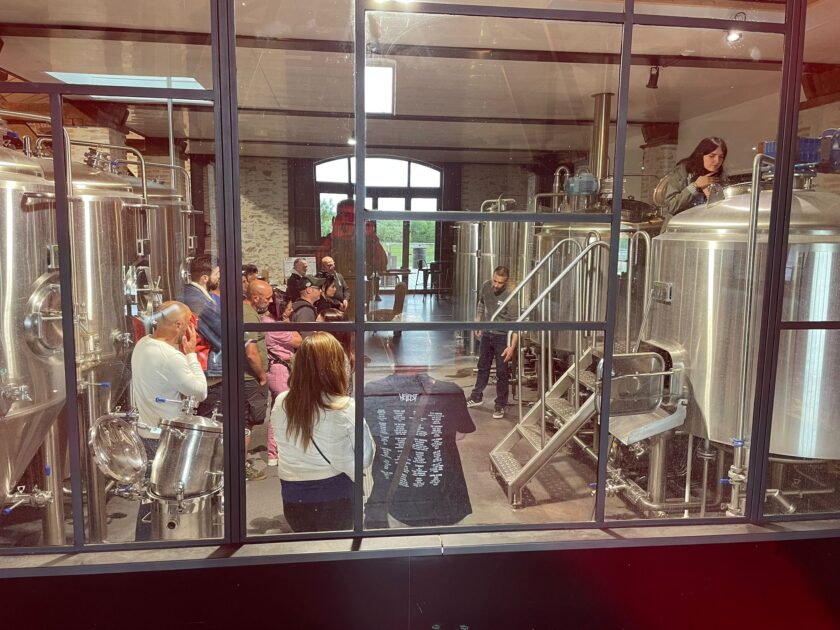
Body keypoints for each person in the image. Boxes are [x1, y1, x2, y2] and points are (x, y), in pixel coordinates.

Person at [364, 332, 475, 528]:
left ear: (390, 350)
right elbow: (459, 434)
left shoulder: (371, 391)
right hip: (446, 502)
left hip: (395, 502)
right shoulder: (449, 392)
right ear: (428, 350)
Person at [270, 332, 374, 532]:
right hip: (335, 495)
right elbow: (364, 458)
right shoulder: (345, 407)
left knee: (307, 547)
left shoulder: (282, 402)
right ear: (337, 366)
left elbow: (281, 441)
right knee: (336, 548)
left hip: (293, 496)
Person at [130, 300, 208, 540]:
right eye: (188, 324)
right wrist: (192, 355)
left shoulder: (143, 344)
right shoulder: (170, 357)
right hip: (165, 439)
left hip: (146, 434)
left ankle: (144, 545)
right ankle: (157, 547)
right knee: (166, 501)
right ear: (178, 325)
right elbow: (200, 391)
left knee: (150, 498)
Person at [466, 266, 518, 419]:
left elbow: (516, 324)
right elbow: (481, 303)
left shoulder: (511, 296)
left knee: (502, 372)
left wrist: (512, 347)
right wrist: (478, 321)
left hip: (502, 337)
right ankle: (476, 396)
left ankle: (500, 404)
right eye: (495, 280)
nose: (496, 285)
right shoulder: (486, 286)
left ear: (505, 282)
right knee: (483, 366)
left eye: (500, 283)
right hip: (487, 333)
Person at [262, 291, 302, 467]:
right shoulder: (275, 326)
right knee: (281, 409)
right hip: (280, 369)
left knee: (279, 408)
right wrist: (288, 323)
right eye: (288, 308)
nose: (291, 311)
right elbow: (298, 340)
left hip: (277, 368)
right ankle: (274, 452)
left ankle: (276, 451)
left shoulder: (266, 321)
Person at [180, 254, 223, 419]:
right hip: (206, 367)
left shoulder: (194, 295)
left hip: (202, 364)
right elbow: (222, 329)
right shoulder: (198, 299)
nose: (219, 278)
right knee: (208, 417)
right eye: (217, 274)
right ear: (205, 278)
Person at [243, 279, 273, 481]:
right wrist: (262, 376)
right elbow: (251, 352)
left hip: (249, 378)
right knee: (247, 423)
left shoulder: (249, 312)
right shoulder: (248, 315)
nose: (270, 301)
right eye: (268, 298)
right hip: (250, 379)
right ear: (255, 297)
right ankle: (241, 467)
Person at [661, 136, 728, 217]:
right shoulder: (682, 171)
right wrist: (695, 185)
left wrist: (711, 195)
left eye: (721, 157)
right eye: (712, 156)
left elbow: (722, 210)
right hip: (680, 223)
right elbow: (671, 207)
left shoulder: (721, 176)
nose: (717, 161)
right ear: (701, 155)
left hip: (705, 222)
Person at [317, 308, 354, 395]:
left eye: (318, 327)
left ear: (332, 331)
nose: (314, 330)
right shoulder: (342, 353)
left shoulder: (335, 356)